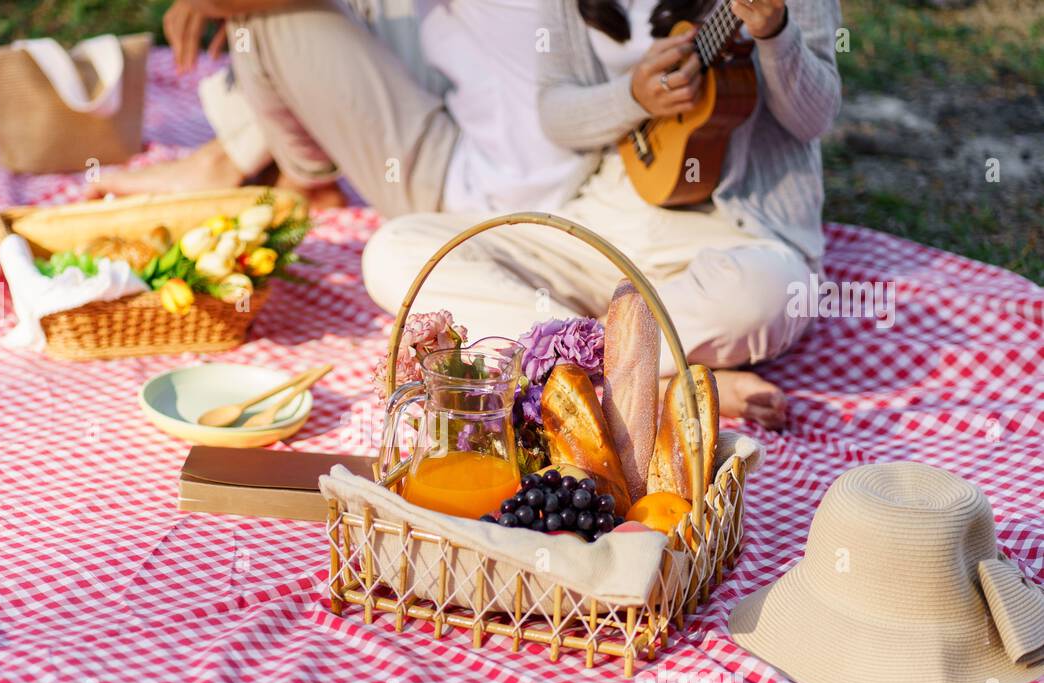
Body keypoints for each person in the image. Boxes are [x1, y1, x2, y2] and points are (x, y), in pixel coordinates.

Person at [361, 0, 843, 428]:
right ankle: (654, 372)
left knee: (768, 293)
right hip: (609, 217)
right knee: (395, 252)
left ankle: (581, 358)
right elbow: (556, 113)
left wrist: (776, 33)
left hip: (735, 237)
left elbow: (815, 116)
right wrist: (631, 98)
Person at [96, 1, 590, 219]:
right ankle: (251, 161)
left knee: (264, 13)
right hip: (559, 152)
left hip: (481, 196)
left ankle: (299, 179)